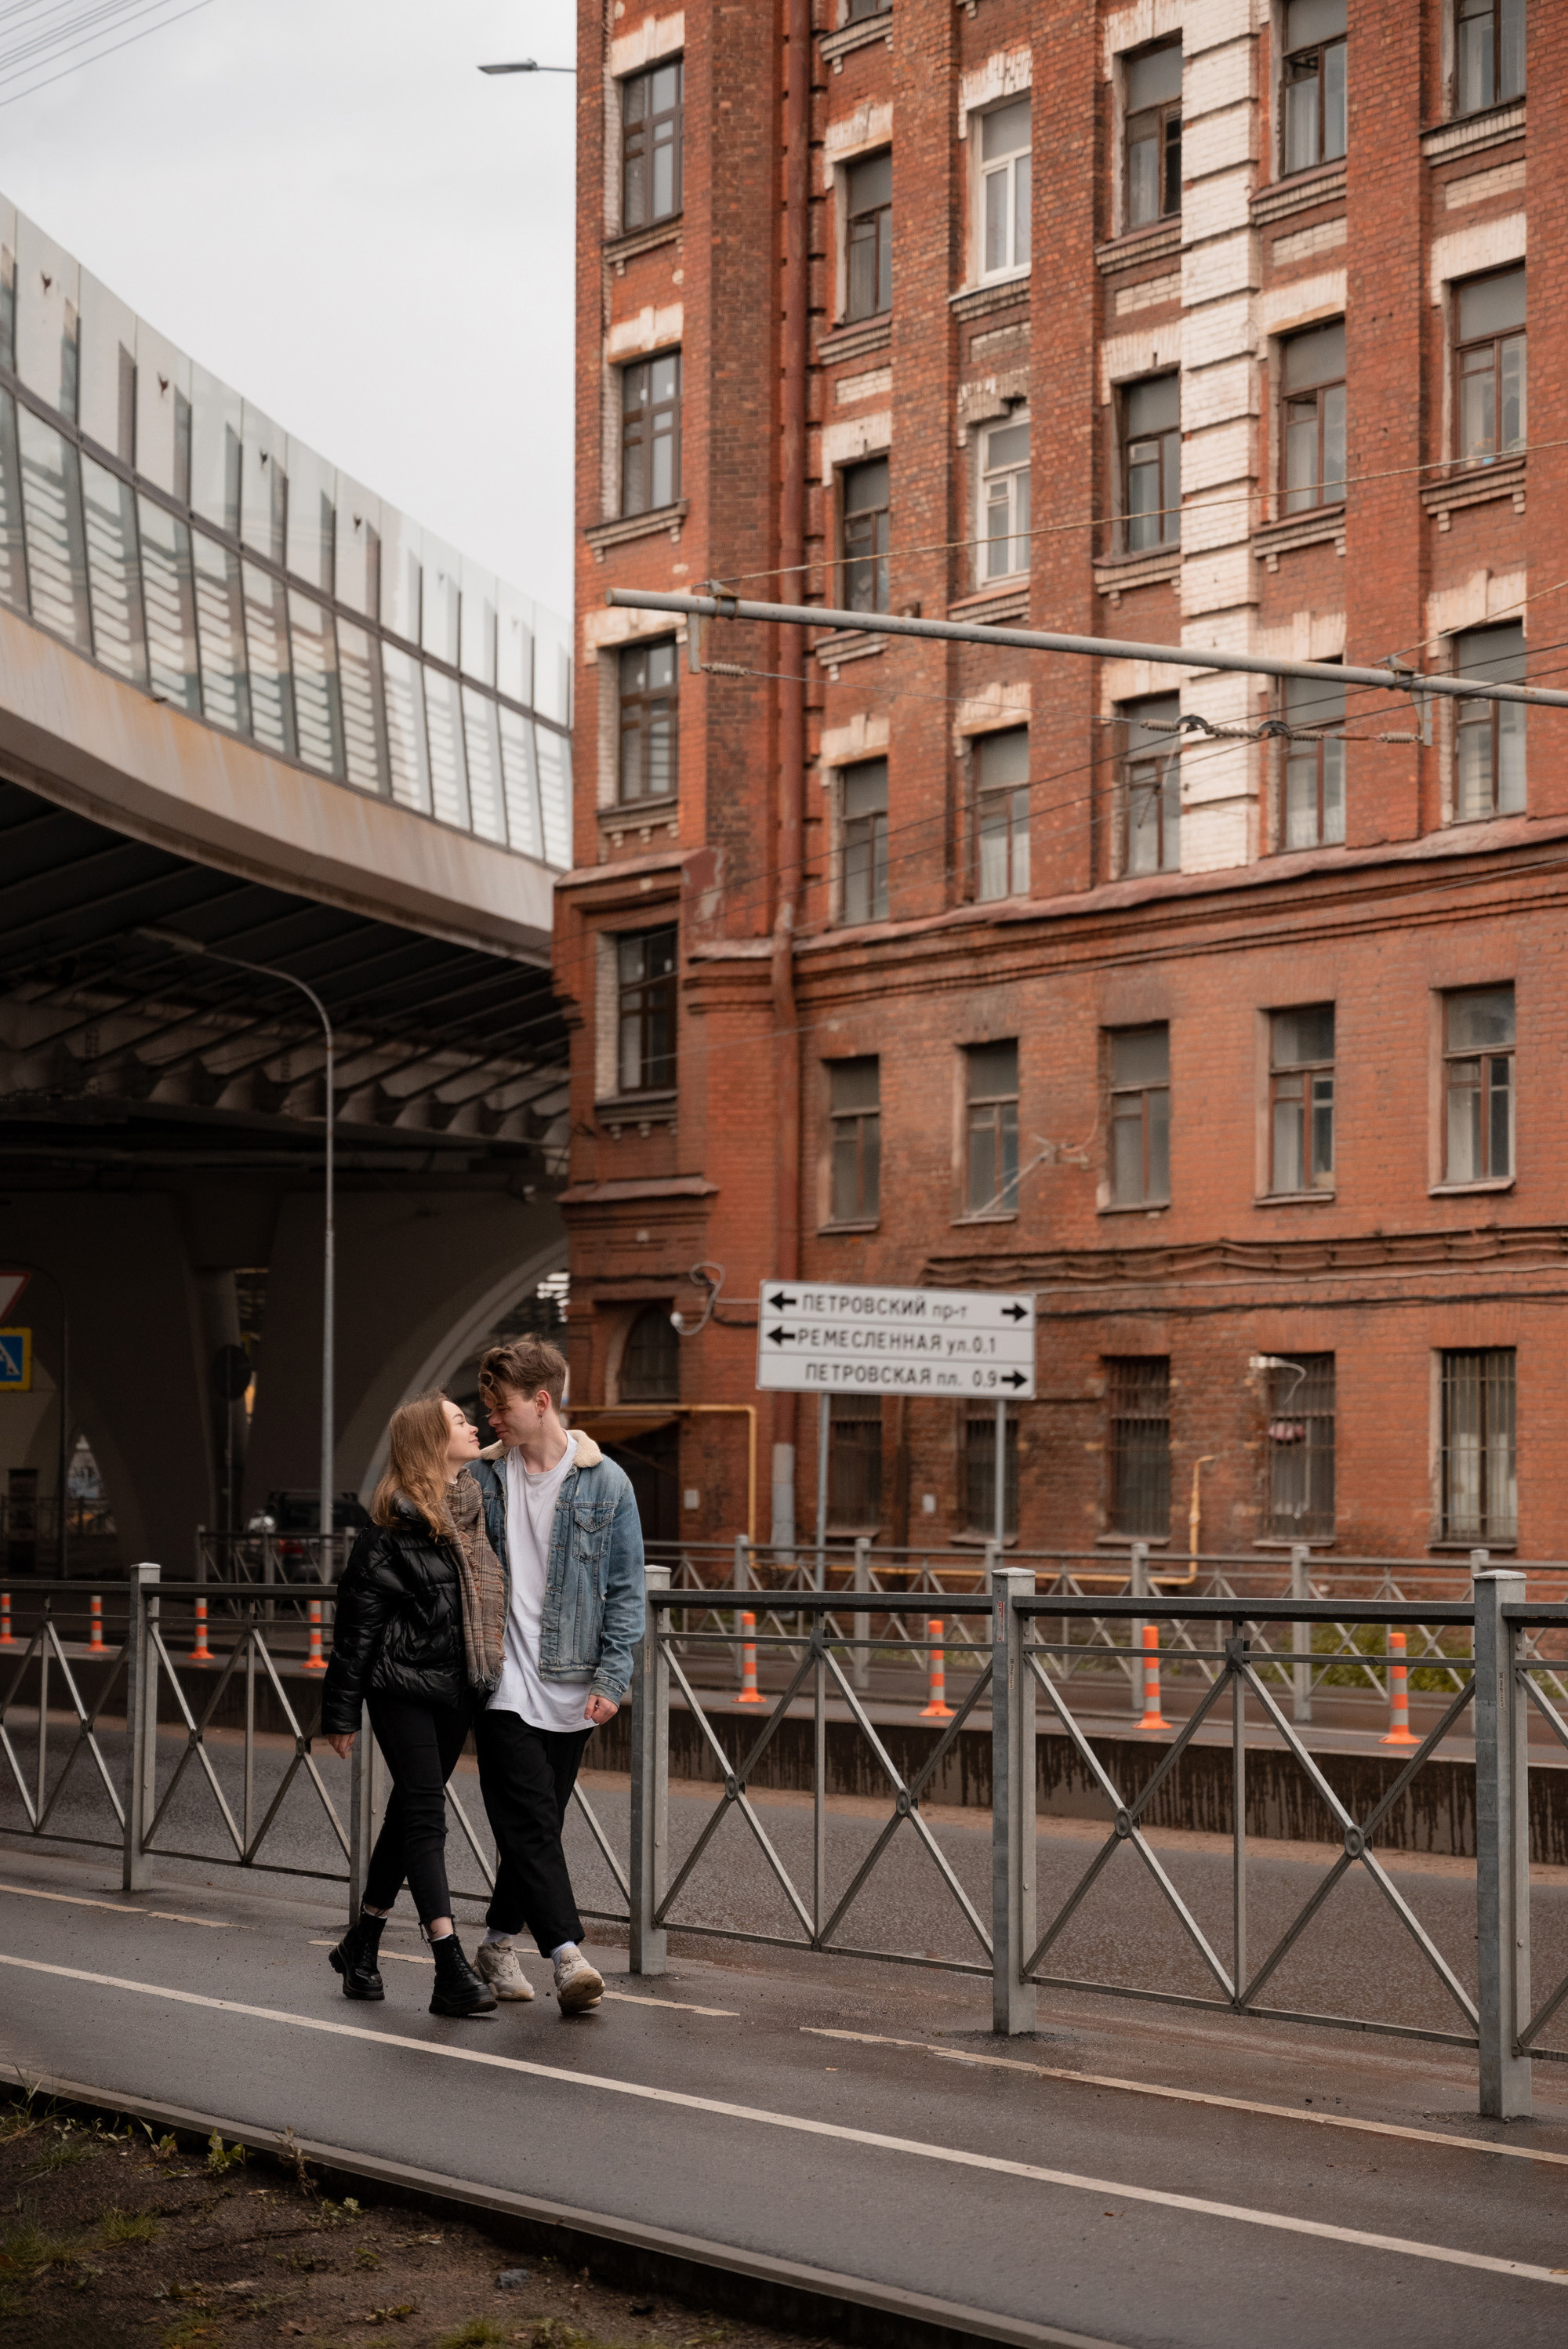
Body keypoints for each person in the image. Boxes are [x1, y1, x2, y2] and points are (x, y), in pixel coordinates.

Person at [463, 1335, 646, 2016]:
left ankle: (496, 1943)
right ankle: (568, 1956)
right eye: (486, 1409)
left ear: (541, 1402)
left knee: (536, 1823)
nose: (491, 1420)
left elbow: (626, 1591)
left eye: (502, 1408)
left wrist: (612, 1676)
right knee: (533, 1818)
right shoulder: (480, 1478)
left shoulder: (607, 1482)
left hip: (573, 1680)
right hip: (499, 1676)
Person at [320, 1391, 506, 2019]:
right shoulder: (389, 1534)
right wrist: (341, 1712)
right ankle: (448, 1965)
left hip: (457, 1687)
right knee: (426, 1814)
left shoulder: (472, 1513)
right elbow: (356, 1633)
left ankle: (361, 1945)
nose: (473, 1426)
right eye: (459, 1420)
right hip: (400, 1687)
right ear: (431, 1441)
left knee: (408, 1811)